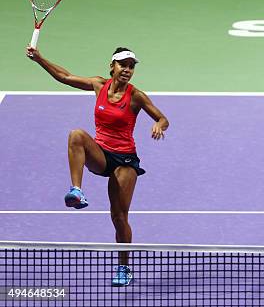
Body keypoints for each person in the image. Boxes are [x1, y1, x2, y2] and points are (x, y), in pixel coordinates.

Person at [26, 45, 169, 286]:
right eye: (123, 64)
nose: (127, 69)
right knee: (76, 135)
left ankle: (124, 267)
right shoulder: (98, 85)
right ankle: (77, 191)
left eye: (131, 66)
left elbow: (163, 118)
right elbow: (65, 77)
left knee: (119, 216)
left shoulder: (136, 96)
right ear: (112, 65)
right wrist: (40, 59)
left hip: (125, 160)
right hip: (101, 154)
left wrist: (158, 125)